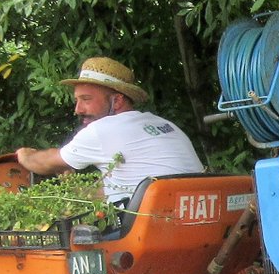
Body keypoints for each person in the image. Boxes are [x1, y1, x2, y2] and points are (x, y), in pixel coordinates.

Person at [14, 57, 203, 206]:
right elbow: (114, 195)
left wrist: (24, 156)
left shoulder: (102, 130)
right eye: (77, 100)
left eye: (86, 99)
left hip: (147, 234)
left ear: (117, 101)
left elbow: (44, 163)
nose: (77, 109)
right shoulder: (164, 125)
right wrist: (70, 184)